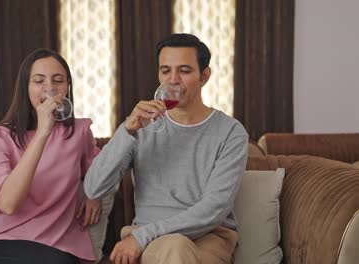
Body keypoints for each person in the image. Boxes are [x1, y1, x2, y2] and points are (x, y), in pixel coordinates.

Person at [84, 33, 248, 264]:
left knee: (176, 247)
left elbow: (213, 209)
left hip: (209, 237)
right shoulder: (141, 125)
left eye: (184, 70)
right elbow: (93, 188)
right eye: (165, 70)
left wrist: (141, 236)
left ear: (205, 76)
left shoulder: (231, 132)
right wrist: (127, 132)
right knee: (174, 247)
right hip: (151, 241)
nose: (172, 80)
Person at [0, 48, 102, 264]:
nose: (49, 88)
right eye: (39, 81)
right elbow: (8, 204)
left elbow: (104, 166)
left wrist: (95, 192)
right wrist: (42, 133)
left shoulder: (78, 132)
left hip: (56, 246)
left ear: (67, 87)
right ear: (25, 88)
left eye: (58, 80)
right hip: (1, 244)